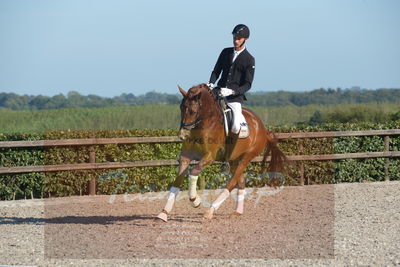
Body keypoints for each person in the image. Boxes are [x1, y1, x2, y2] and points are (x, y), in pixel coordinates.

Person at [208, 24, 255, 161]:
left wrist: (233, 91)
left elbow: (248, 84)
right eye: (235, 36)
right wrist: (211, 82)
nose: (236, 40)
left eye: (239, 38)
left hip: (235, 98)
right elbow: (216, 70)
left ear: (246, 39)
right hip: (219, 92)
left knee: (235, 126)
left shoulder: (249, 59)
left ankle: (228, 157)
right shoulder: (225, 52)